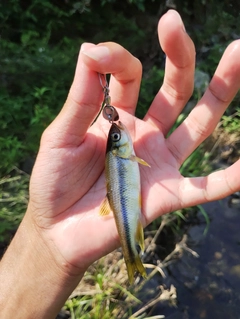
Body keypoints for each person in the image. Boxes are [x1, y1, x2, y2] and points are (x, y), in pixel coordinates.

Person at [0, 9, 239, 319]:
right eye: (116, 138)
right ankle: (133, 258)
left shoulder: (123, 153)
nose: (118, 135)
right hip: (122, 204)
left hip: (121, 199)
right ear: (120, 147)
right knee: (132, 233)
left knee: (130, 230)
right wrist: (45, 240)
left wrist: (47, 248)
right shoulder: (123, 153)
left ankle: (132, 258)